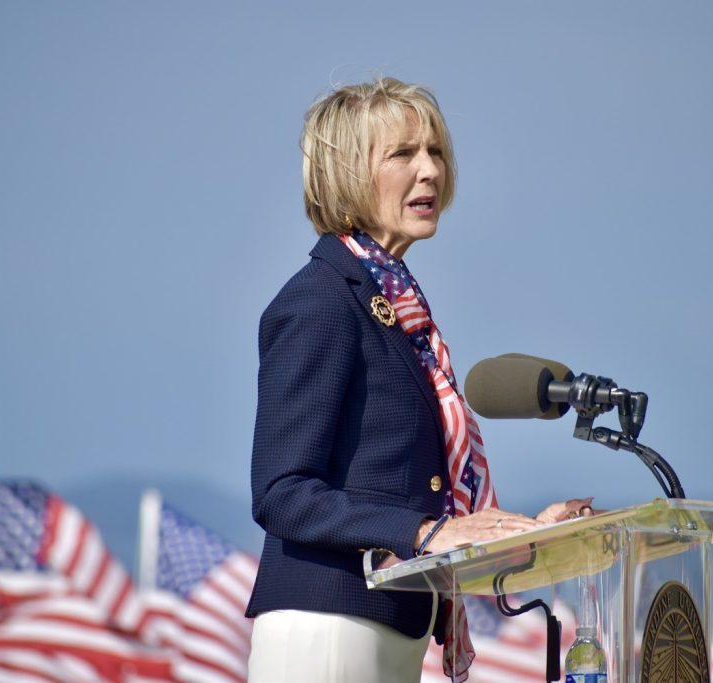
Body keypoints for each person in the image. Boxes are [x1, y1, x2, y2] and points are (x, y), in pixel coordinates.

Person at [245, 76, 595, 683]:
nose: (430, 170)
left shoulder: (397, 307)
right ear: (345, 174)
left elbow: (410, 495)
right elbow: (281, 492)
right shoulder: (321, 303)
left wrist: (526, 534)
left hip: (389, 629)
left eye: (434, 151)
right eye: (402, 154)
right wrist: (426, 532)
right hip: (328, 628)